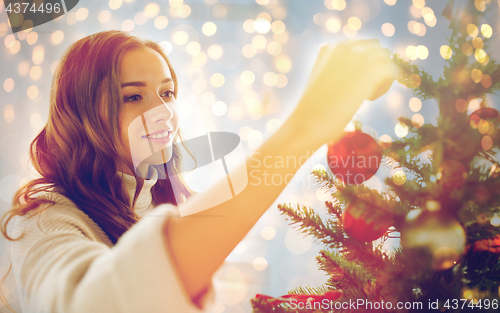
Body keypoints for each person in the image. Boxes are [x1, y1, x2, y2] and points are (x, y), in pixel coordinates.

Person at [0, 30, 397, 313]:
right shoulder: (43, 221)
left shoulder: (158, 206)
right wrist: (303, 130)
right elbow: (91, 304)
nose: (162, 112)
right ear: (81, 114)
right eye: (133, 96)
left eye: (168, 93)